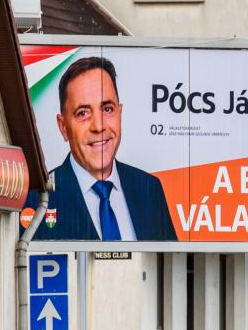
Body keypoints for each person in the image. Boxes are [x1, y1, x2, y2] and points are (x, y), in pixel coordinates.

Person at [22, 56, 177, 241]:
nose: (98, 126)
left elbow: (168, 267)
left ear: (120, 114)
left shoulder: (149, 190)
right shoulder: (36, 199)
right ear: (63, 127)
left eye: (107, 109)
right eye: (83, 113)